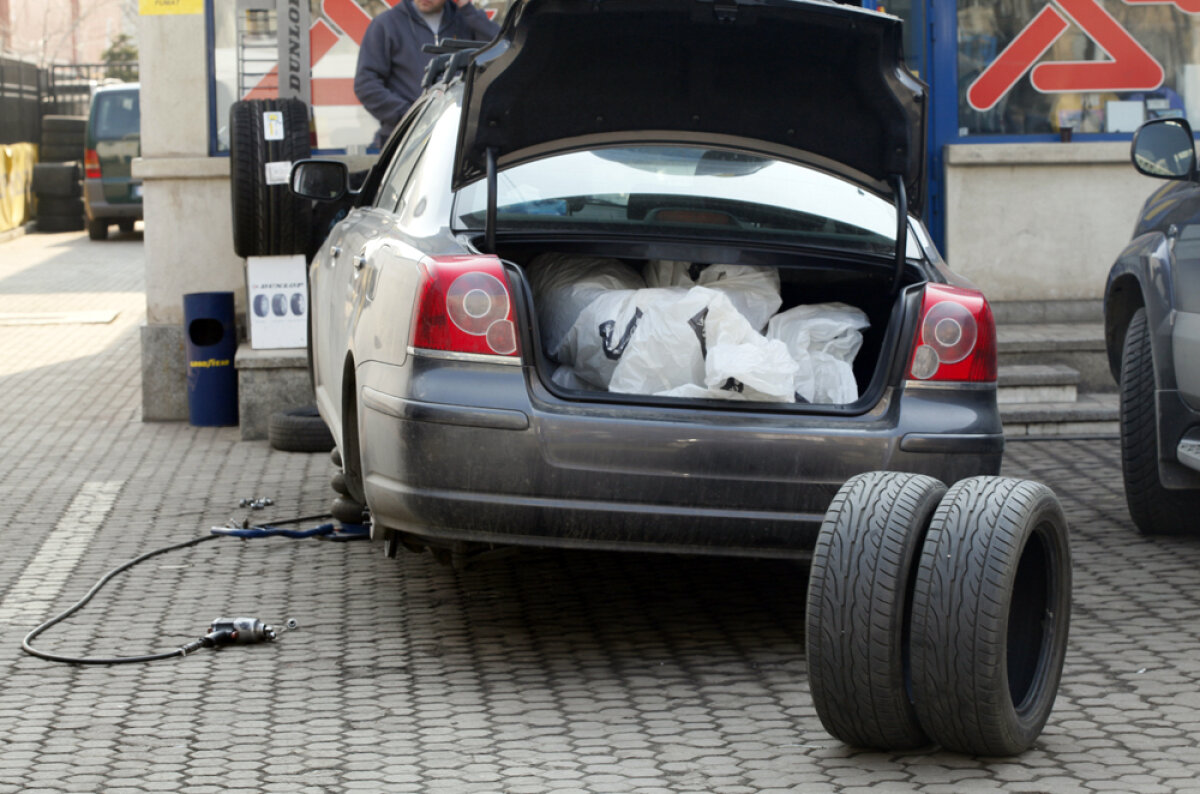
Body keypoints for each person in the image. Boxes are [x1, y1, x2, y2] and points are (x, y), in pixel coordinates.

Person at [354, 0, 499, 149]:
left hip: (457, 137)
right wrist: (410, 117)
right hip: (405, 142)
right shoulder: (386, 24)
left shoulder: (466, 19)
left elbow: (503, 51)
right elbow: (366, 84)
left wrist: (467, 9)